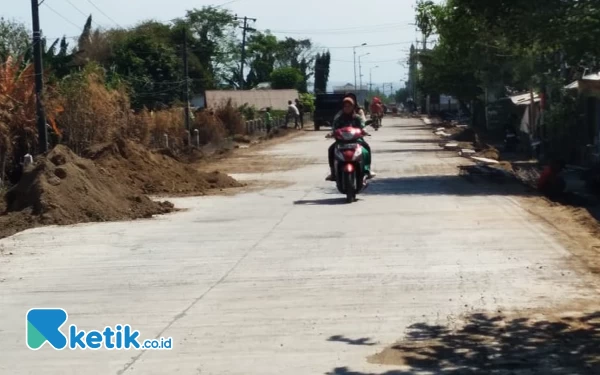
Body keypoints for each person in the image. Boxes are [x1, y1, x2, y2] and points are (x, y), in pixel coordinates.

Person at [326, 96, 375, 181]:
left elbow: (362, 126)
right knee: (331, 149)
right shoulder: (339, 118)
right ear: (343, 107)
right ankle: (333, 172)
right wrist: (331, 133)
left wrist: (364, 131)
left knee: (366, 149)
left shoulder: (357, 118)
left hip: (356, 140)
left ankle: (367, 170)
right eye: (345, 106)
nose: (347, 108)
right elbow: (334, 128)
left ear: (353, 107)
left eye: (349, 106)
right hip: (341, 142)